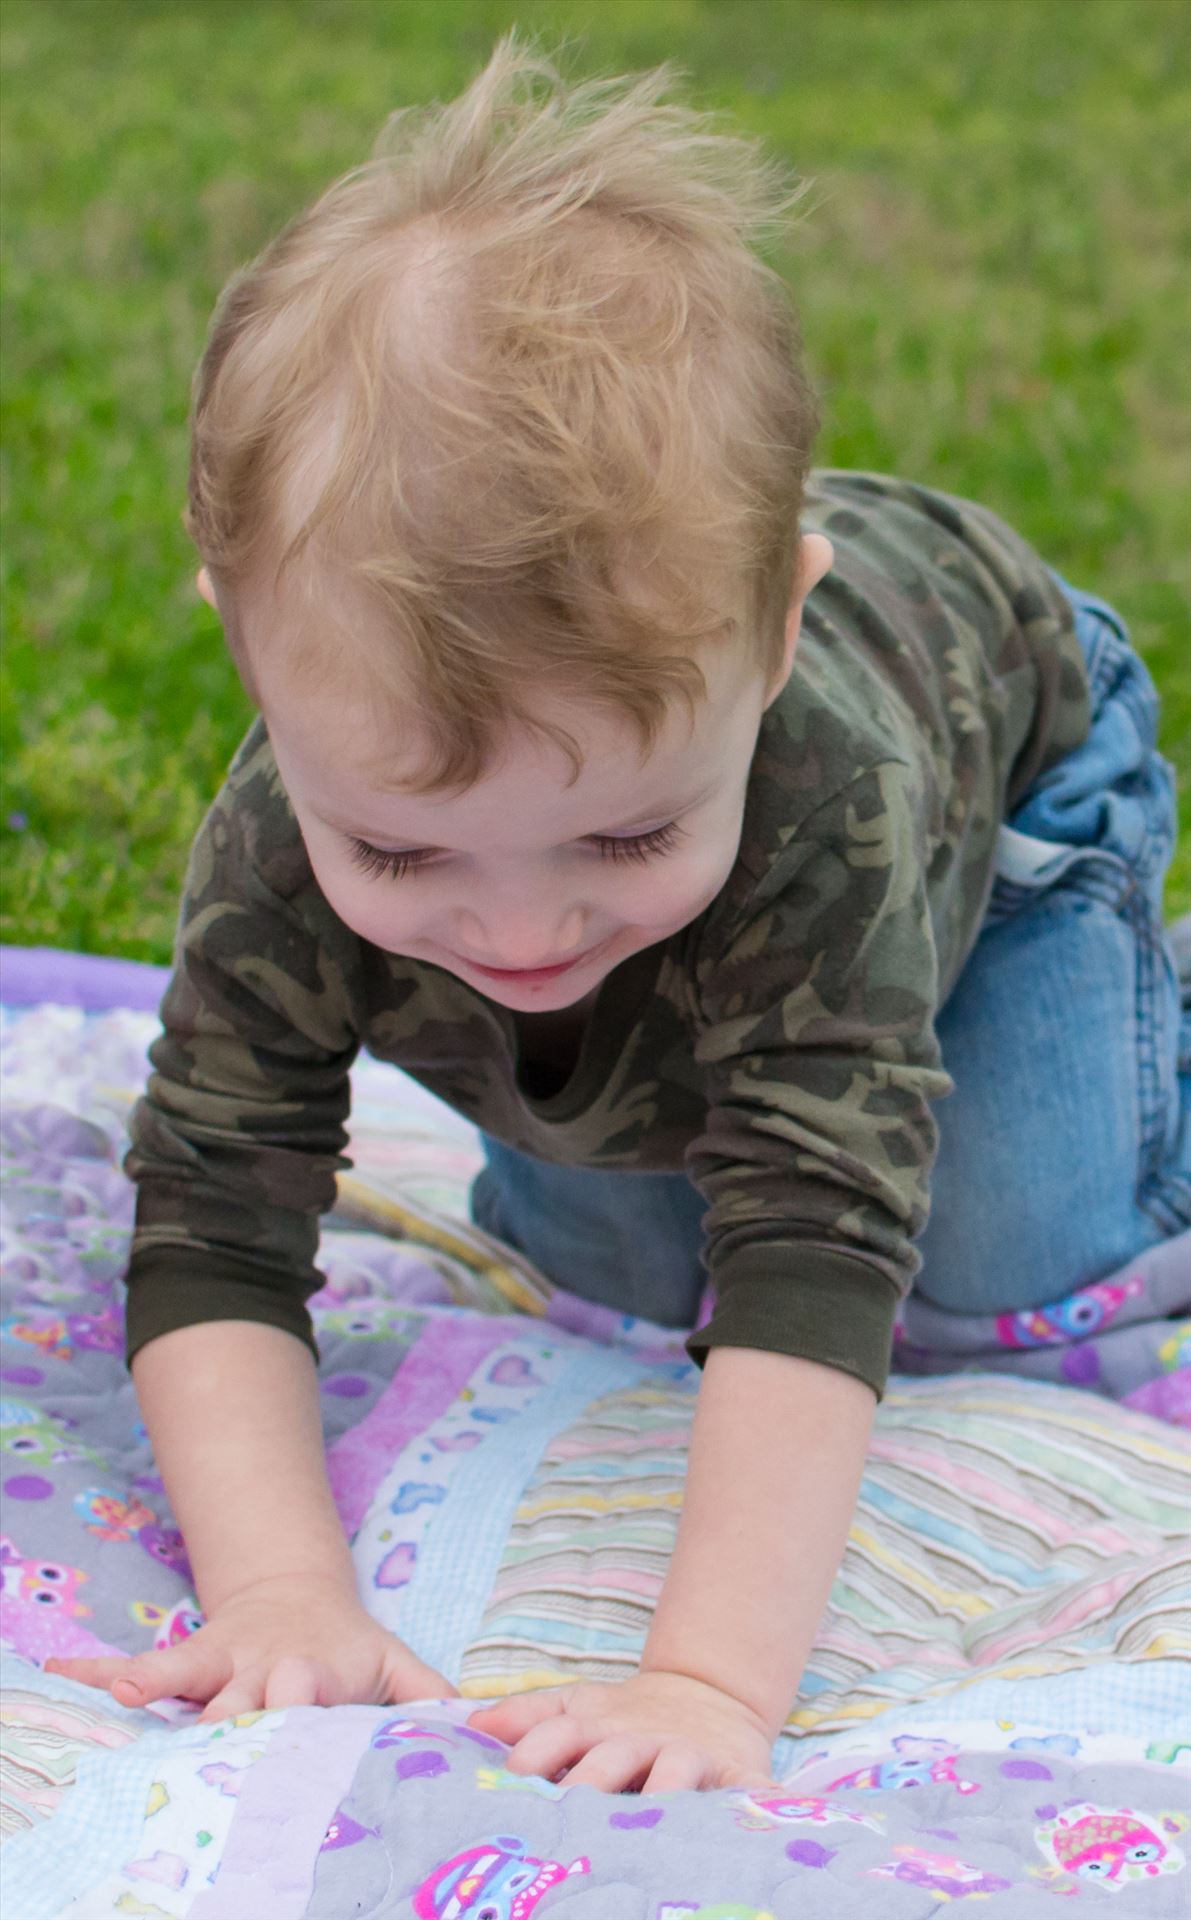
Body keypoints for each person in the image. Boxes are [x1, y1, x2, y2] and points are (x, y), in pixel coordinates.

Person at [49, 34, 1189, 1793]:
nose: (518, 934)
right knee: (622, 1272)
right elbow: (214, 1201)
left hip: (1001, 797)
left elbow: (814, 1229)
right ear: (246, 653)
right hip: (748, 909)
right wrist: (284, 1593)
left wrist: (708, 1687)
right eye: (410, 858)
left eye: (624, 829)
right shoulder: (289, 830)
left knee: (999, 1269)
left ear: (775, 636)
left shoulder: (820, 794)